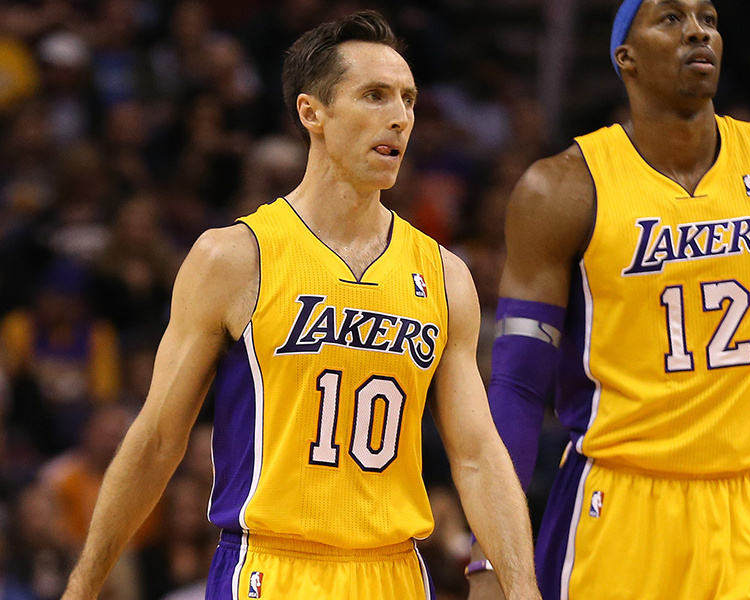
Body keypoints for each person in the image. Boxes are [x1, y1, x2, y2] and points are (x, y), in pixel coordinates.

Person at [60, 11, 540, 600]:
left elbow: (477, 455)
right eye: (375, 95)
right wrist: (84, 583)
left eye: (409, 100)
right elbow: (158, 439)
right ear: (313, 112)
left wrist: (522, 587)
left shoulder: (445, 276)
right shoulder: (234, 258)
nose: (400, 116)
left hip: (395, 574)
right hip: (271, 567)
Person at [470, 1, 750, 598]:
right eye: (670, 19)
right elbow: (516, 386)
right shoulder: (563, 187)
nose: (698, 30)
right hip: (621, 506)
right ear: (626, 58)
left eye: (710, 18)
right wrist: (490, 559)